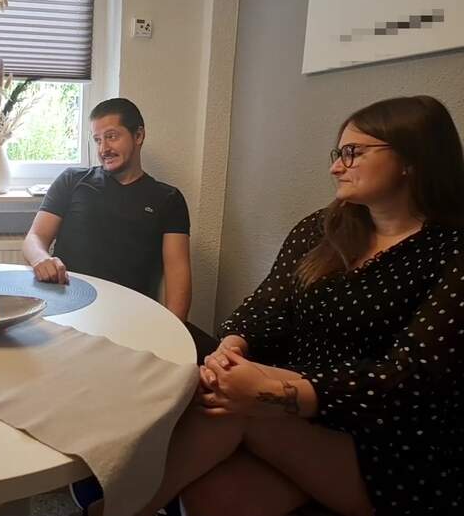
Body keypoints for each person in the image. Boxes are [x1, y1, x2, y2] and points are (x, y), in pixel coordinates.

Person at [89, 95, 464, 516]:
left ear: (411, 158)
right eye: (338, 153)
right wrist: (231, 347)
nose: (336, 167)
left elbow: (409, 379)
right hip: (296, 407)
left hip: (386, 441)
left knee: (233, 404)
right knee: (212, 491)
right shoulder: (321, 229)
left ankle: (111, 507)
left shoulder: (450, 253)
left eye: (353, 153)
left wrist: (274, 390)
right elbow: (266, 304)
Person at [23, 98, 217, 357]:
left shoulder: (168, 199)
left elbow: (177, 270)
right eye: (97, 140)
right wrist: (41, 259)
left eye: (112, 137)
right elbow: (35, 237)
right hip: (68, 308)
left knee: (218, 359)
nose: (104, 148)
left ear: (139, 136)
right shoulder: (72, 181)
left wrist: (173, 333)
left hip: (131, 317)